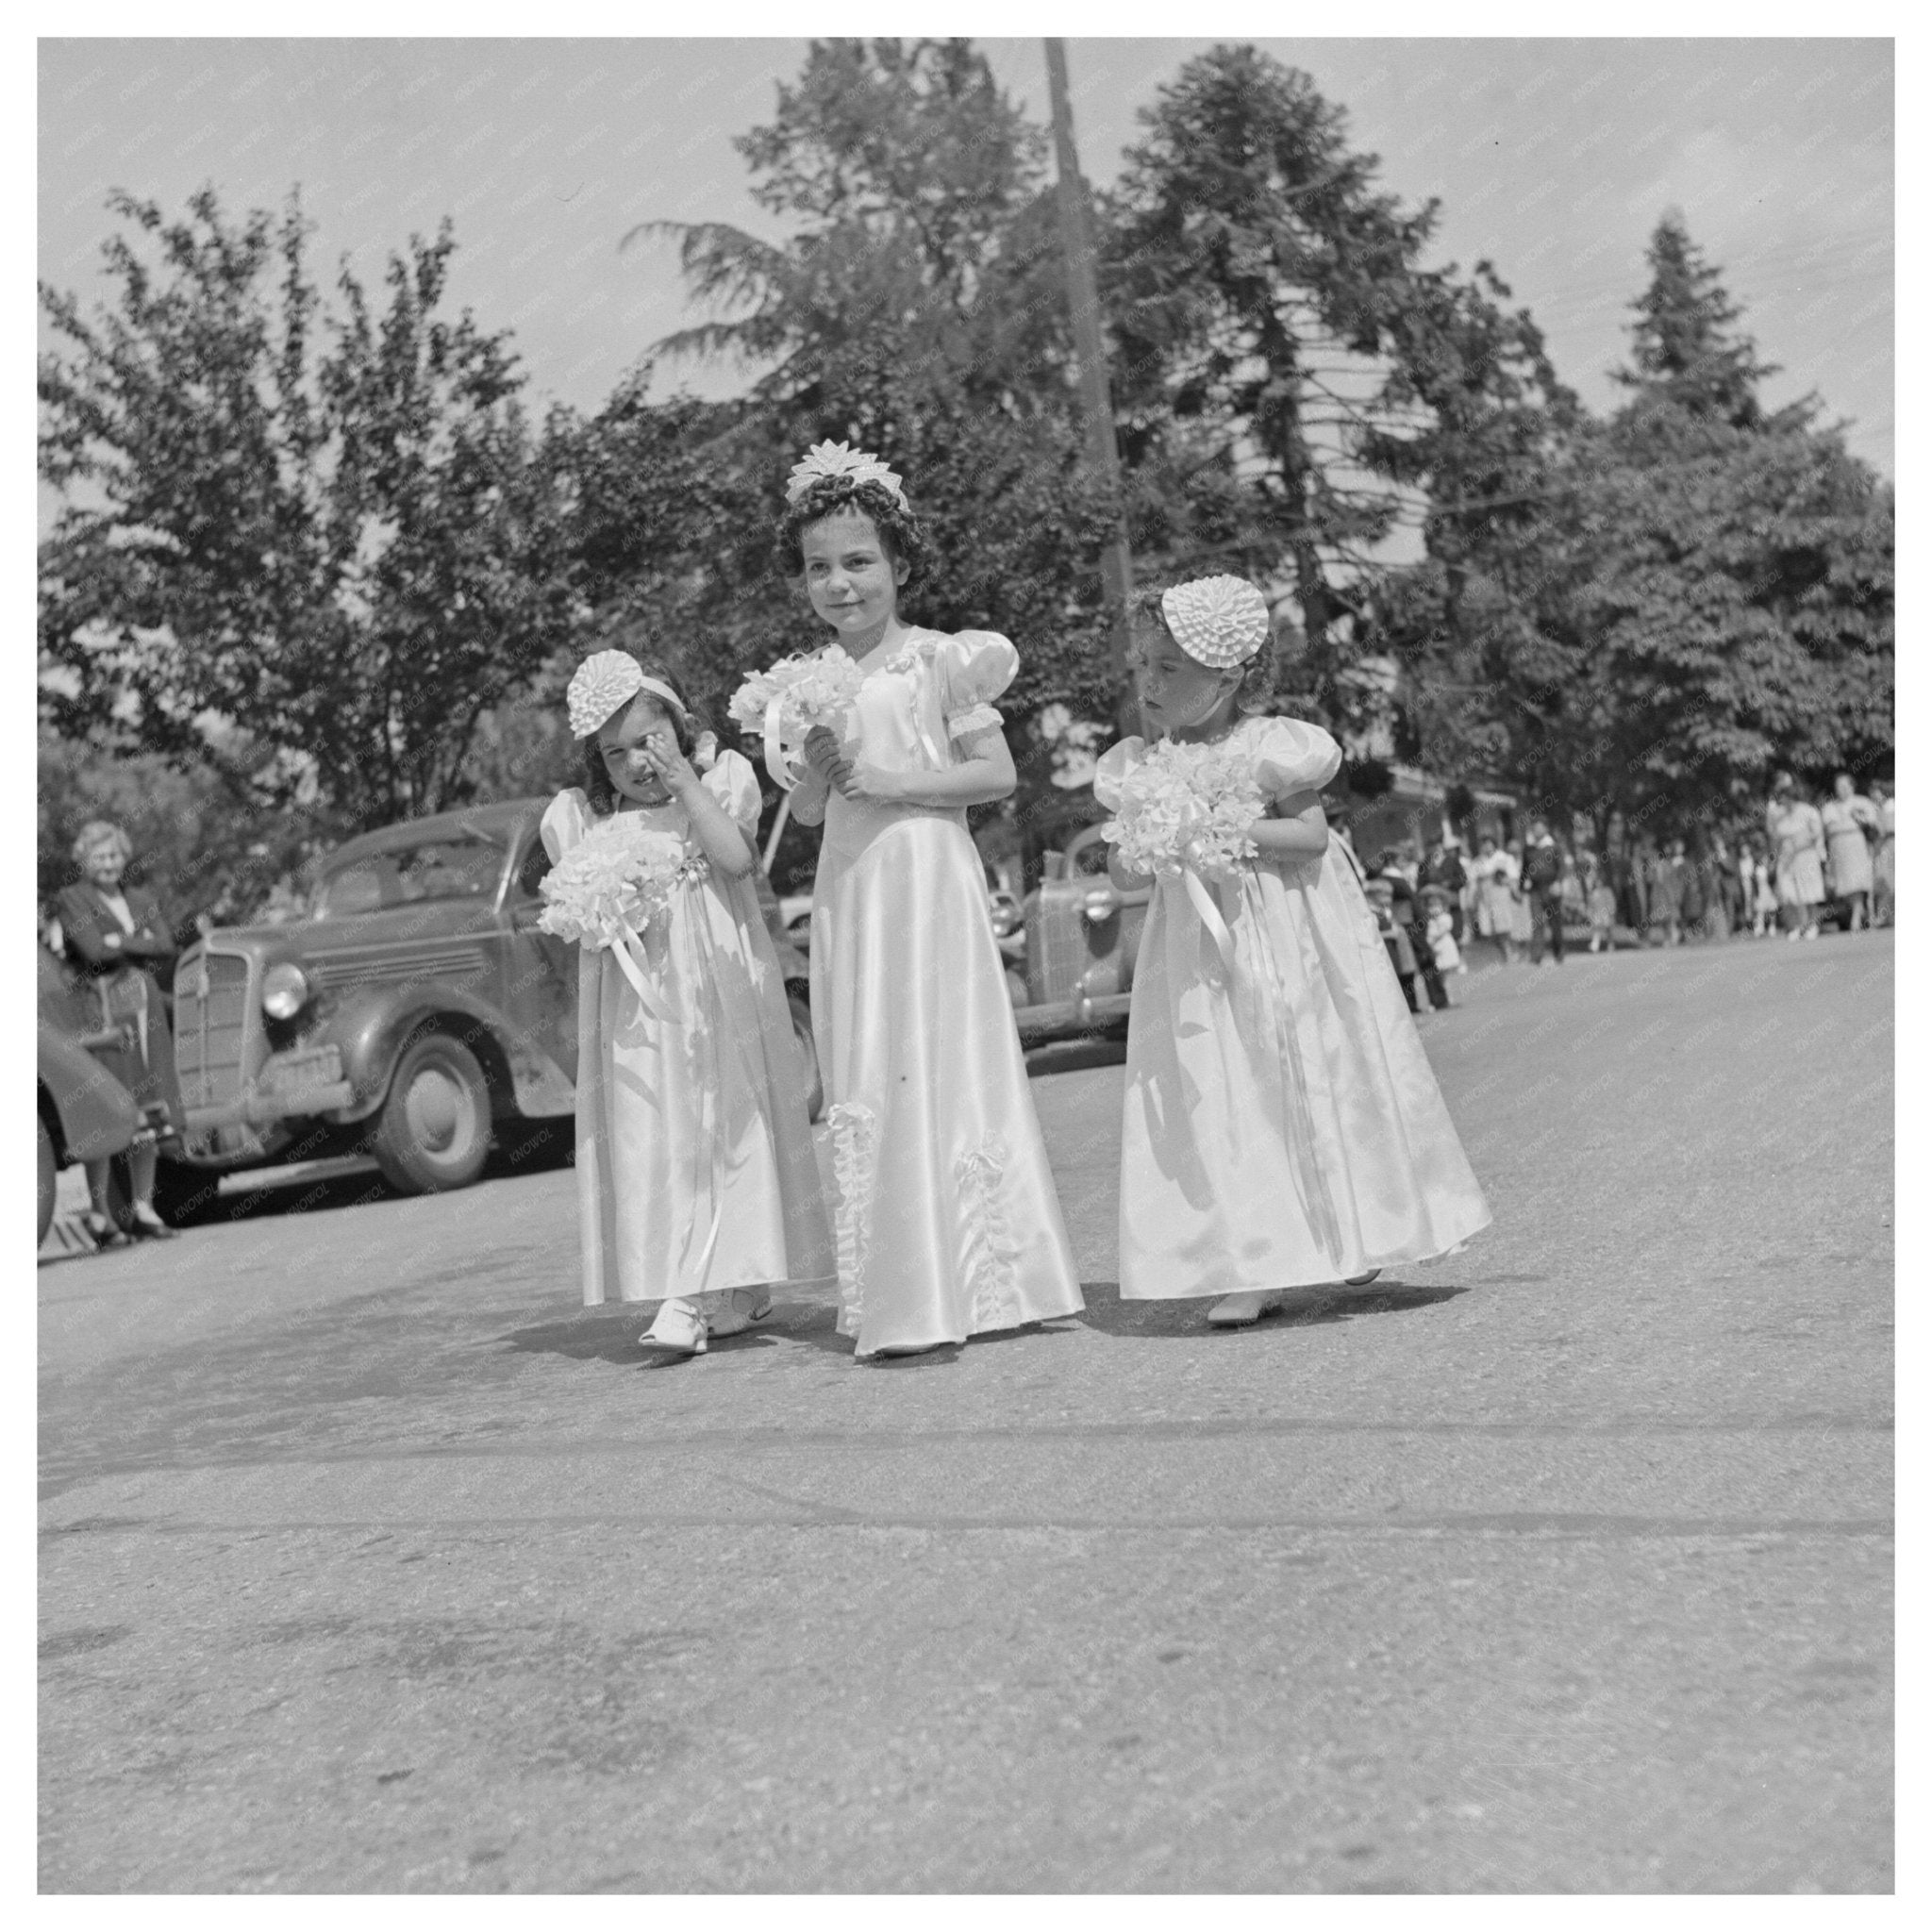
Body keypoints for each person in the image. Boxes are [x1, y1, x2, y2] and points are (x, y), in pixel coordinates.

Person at [1095, 574, 1490, 1327]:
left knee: (1311, 1074)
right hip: (1195, 962)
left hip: (1286, 941)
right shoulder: (1141, 766)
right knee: (1222, 1087)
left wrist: (1218, 831)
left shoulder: (1270, 747)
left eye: (1169, 668)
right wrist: (1153, 839)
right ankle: (1255, 1255)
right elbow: (1121, 870)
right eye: (1142, 666)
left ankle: (1352, 1221)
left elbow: (1309, 839)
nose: (1149, 683)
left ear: (1229, 676)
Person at [784, 441, 1083, 1357]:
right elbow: (802, 808)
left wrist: (890, 776)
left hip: (927, 876)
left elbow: (990, 774)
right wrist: (820, 760)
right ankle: (899, 1285)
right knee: (871, 1058)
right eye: (819, 568)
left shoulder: (940, 662)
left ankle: (992, 1276)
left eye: (859, 561)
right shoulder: (802, 684)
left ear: (900, 564)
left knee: (946, 1052)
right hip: (854, 889)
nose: (841, 585)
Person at [540, 647, 833, 1355]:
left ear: (679, 725)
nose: (636, 763)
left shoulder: (719, 784)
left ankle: (700, 1292)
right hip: (642, 1014)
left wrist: (685, 784)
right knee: (659, 1133)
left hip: (719, 994)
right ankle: (702, 1282)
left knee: (725, 1124)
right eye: (614, 754)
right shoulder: (582, 820)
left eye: (649, 741)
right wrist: (604, 903)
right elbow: (581, 917)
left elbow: (733, 861)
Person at [55, 820, 184, 1244]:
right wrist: (135, 939)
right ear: (84, 860)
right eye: (99, 857)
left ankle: (144, 1207)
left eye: (114, 855)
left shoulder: (141, 897)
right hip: (102, 1008)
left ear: (123, 858)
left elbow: (166, 945)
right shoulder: (71, 899)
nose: (108, 864)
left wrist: (119, 940)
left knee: (150, 1105)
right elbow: (92, 950)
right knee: (109, 1105)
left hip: (144, 1008)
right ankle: (99, 1214)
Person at [1766, 774, 1826, 941]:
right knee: (1789, 893)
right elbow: (1775, 837)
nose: (1785, 802)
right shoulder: (1778, 815)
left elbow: (1816, 836)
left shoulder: (1809, 812)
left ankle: (1812, 925)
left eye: (1787, 798)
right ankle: (1797, 926)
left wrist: (1800, 847)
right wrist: (1774, 858)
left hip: (1805, 856)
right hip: (1785, 858)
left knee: (1809, 893)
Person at [1820, 772, 1878, 932]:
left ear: (1852, 786)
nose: (1842, 789)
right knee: (1844, 885)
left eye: (1845, 786)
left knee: (1858, 882)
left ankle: (1857, 917)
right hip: (1838, 847)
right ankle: (1859, 912)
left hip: (1857, 843)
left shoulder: (1862, 802)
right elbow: (1826, 828)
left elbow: (1872, 823)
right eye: (1839, 787)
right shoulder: (1830, 807)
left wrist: (1856, 817)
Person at [1469, 834, 1519, 965]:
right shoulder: (1478, 861)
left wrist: (1514, 890)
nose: (1487, 846)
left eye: (1489, 843)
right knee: (1489, 929)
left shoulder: (1504, 858)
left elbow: (1513, 877)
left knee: (1504, 926)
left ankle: (1511, 952)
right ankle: (1503, 954)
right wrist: (1472, 898)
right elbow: (1473, 880)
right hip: (1485, 896)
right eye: (1484, 844)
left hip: (1501, 893)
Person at [1522, 817, 1566, 965]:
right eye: (1534, 828)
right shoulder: (1528, 849)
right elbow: (1524, 870)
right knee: (1537, 922)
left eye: (1540, 827)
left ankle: (1558, 952)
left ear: (1546, 829)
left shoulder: (1554, 847)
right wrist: (1520, 888)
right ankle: (1537, 955)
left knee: (1555, 923)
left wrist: (1558, 883)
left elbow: (1561, 867)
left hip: (1551, 888)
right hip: (1535, 889)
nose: (1537, 831)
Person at [1423, 885, 1462, 975]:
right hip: (1434, 948)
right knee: (1438, 975)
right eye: (1430, 906)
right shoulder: (1429, 920)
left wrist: (1431, 942)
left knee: (1444, 973)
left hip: (1442, 947)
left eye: (1436, 905)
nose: (1433, 909)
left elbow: (1442, 932)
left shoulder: (1445, 918)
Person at [1871, 781, 1894, 927]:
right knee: (1884, 883)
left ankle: (1885, 916)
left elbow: (1889, 830)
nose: (1873, 795)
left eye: (1876, 792)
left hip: (1892, 845)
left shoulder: (1891, 806)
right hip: (1884, 847)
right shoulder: (1877, 809)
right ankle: (1884, 916)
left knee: (1891, 882)